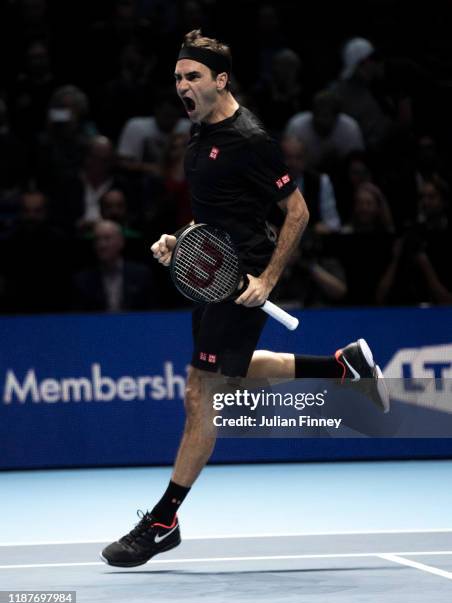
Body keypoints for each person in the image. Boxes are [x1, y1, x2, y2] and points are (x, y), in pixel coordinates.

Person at [101, 29, 389, 569]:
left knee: (200, 396)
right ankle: (342, 368)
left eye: (193, 77)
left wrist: (269, 279)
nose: (182, 87)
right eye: (178, 78)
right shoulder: (198, 130)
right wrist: (181, 238)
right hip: (217, 270)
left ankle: (163, 520)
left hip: (242, 278)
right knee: (225, 377)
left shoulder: (250, 138)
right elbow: (220, 211)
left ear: (221, 80)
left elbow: (298, 212)